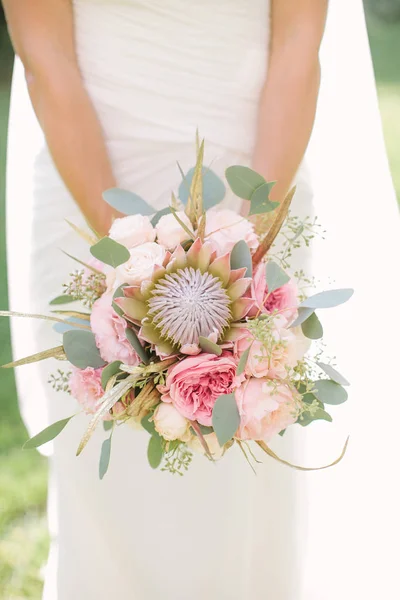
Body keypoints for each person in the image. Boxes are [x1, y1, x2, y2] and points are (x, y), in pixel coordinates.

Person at [4, 1, 400, 598]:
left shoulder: (261, 202)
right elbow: (46, 56)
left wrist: (249, 246)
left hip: (259, 162)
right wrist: (128, 263)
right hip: (81, 162)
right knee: (107, 477)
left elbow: (297, 41)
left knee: (252, 466)